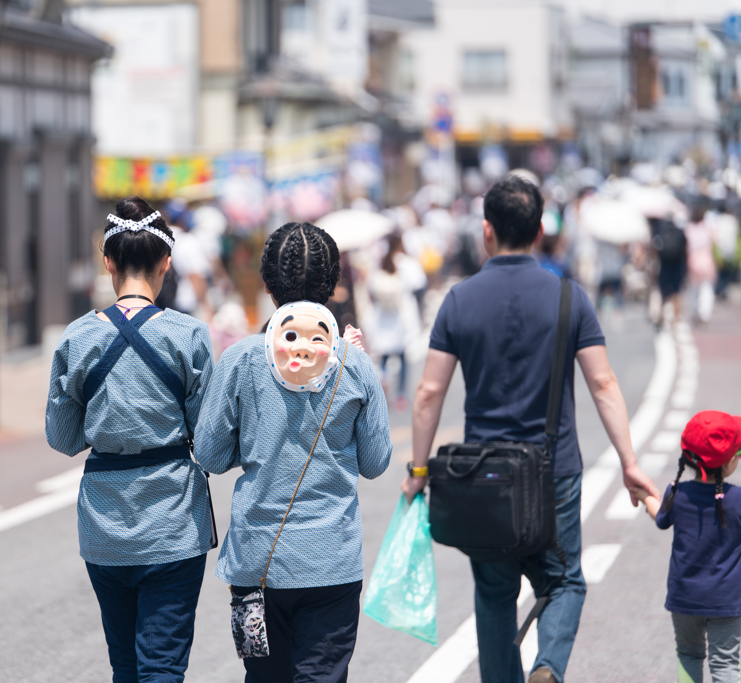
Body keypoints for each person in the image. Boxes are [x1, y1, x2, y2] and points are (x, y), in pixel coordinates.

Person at [402, 175, 660, 683]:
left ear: (486, 231)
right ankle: (548, 667)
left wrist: (418, 469)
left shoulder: (459, 299)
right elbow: (604, 384)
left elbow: (429, 393)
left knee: (494, 594)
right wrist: (630, 464)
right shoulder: (569, 297)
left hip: (484, 477)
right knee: (564, 581)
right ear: (541, 230)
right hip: (554, 470)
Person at [195, 222, 392, 682]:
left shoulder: (241, 358)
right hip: (331, 561)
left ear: (266, 286)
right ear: (333, 285)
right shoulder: (352, 360)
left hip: (256, 564)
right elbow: (375, 461)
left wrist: (256, 440)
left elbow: (208, 454)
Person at [45, 196, 214, 682]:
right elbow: (208, 442)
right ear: (166, 262)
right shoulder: (190, 336)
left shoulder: (76, 338)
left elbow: (63, 437)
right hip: (174, 522)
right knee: (161, 666)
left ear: (109, 262)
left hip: (104, 523)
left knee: (125, 667)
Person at [632, 411, 741, 683]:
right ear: (730, 462)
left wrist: (645, 496)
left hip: (684, 598)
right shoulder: (737, 499)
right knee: (726, 663)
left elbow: (659, 517)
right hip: (726, 601)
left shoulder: (676, 493)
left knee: (689, 654)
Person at [367, 233, 423, 410]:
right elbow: (420, 284)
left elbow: (371, 290)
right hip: (403, 316)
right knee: (403, 356)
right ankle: (400, 395)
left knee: (383, 356)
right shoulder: (407, 263)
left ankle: (383, 384)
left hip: (383, 317)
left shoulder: (379, 262)